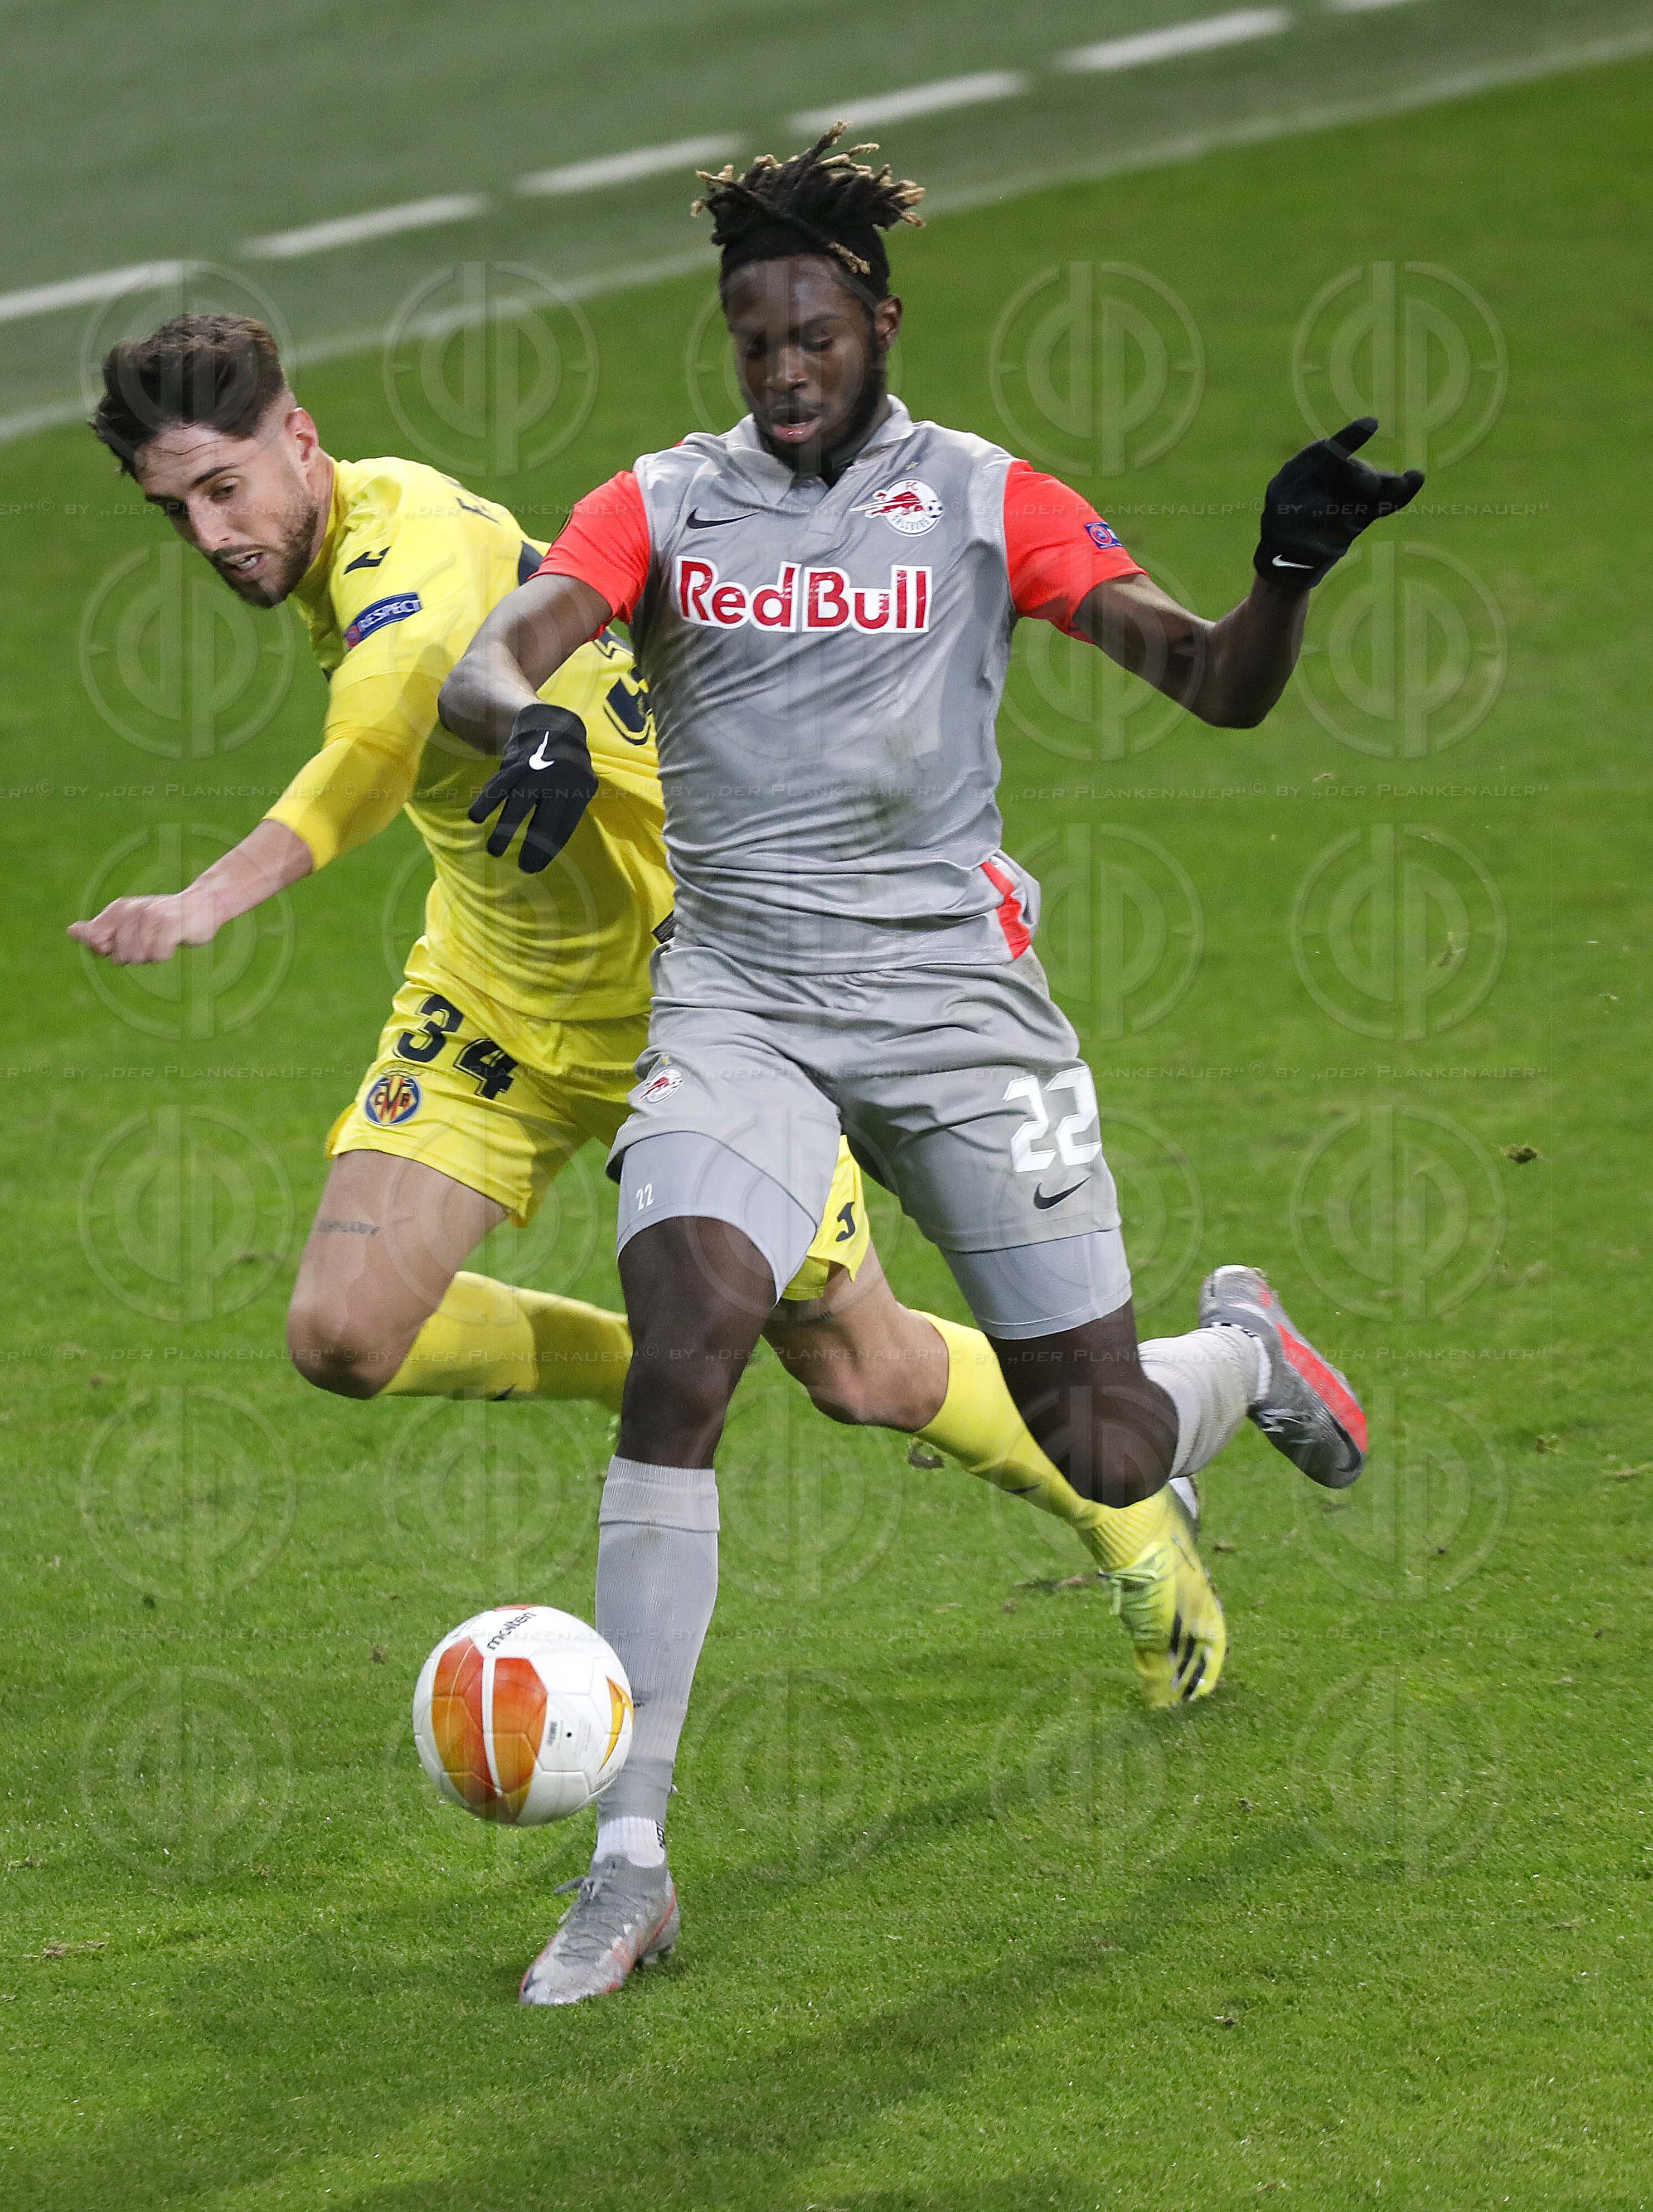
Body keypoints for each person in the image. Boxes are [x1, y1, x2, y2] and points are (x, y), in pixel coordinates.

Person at [441, 127, 1414, 2004]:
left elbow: (1210, 680)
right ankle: (625, 1858)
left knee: (1103, 1436)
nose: (782, 371)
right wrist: (530, 729)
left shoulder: (982, 498)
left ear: (877, 319)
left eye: (810, 334)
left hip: (960, 1006)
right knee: (689, 1335)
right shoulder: (660, 501)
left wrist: (1281, 576)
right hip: (739, 997)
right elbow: (501, 654)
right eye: (752, 343)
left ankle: (1241, 1357)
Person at [67, 314, 1219, 1712]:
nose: (208, 534)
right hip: (494, 991)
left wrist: (208, 900)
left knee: (867, 1372)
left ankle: (1136, 1512)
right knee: (347, 1335)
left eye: (225, 488)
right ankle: (662, 1360)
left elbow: (377, 744)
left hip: (704, 1007)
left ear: (299, 436)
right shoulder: (336, 534)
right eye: (174, 508)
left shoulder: (407, 566)